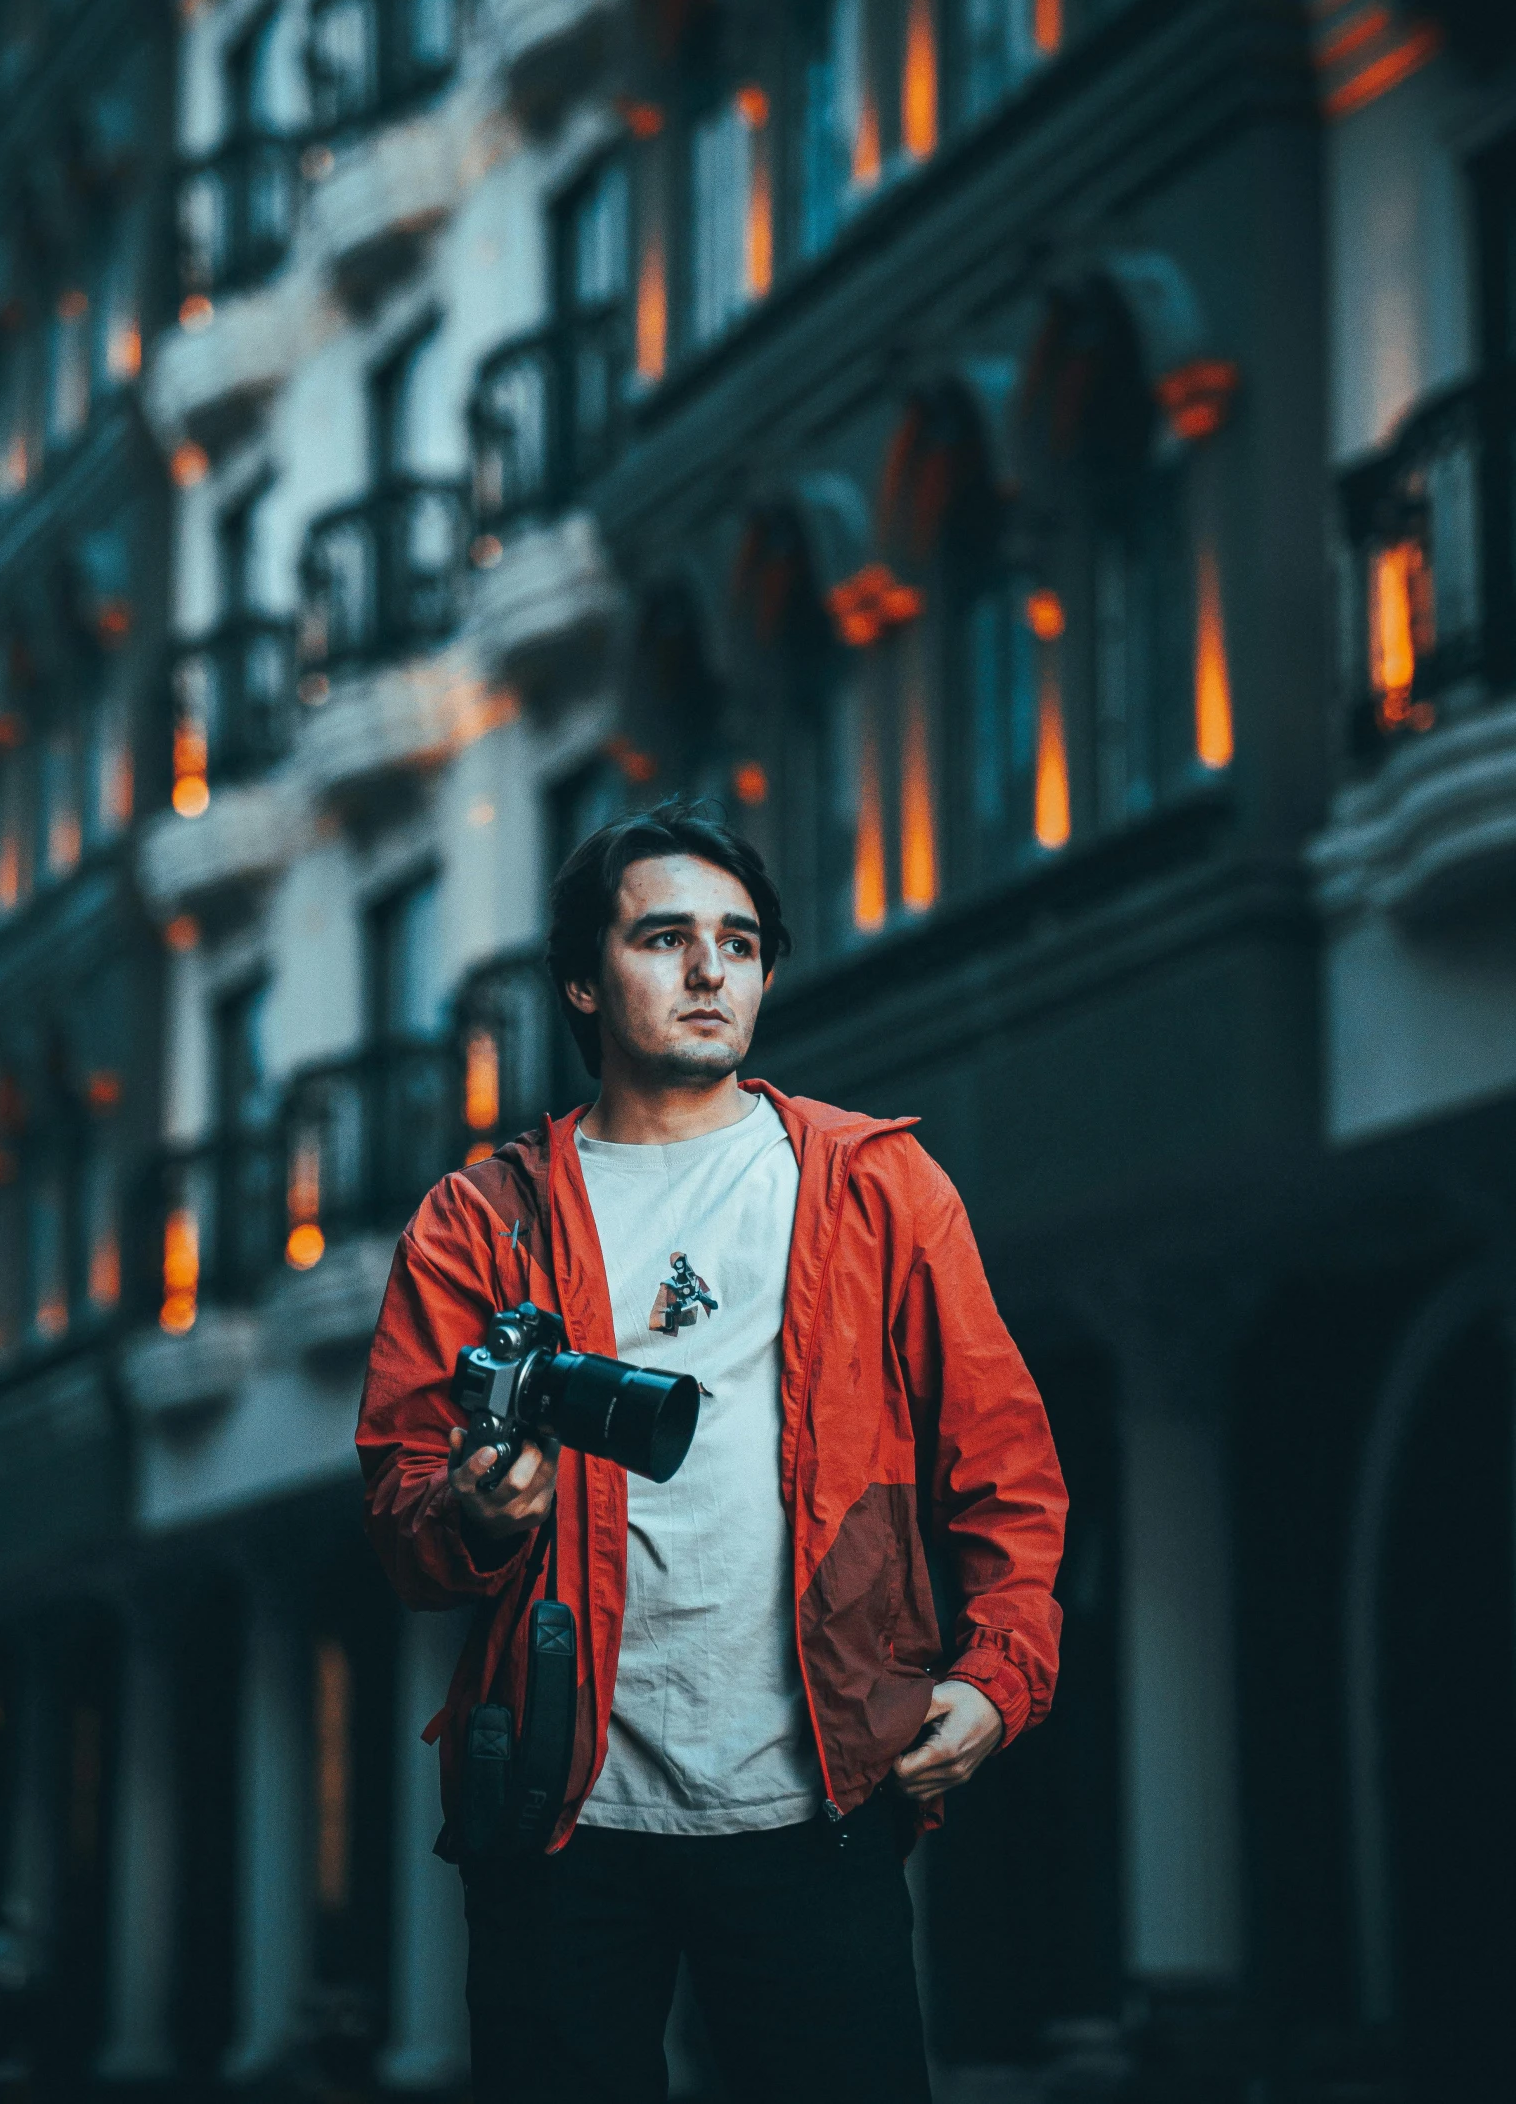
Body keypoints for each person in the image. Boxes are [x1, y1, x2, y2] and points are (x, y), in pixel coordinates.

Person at [357, 800, 1067, 2104]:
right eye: (665, 937)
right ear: (583, 976)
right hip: (561, 1820)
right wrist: (482, 1507)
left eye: (739, 943)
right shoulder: (477, 1221)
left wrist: (1001, 1671)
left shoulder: (879, 1185)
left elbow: (1004, 1463)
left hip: (818, 1807)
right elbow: (403, 1511)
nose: (708, 972)